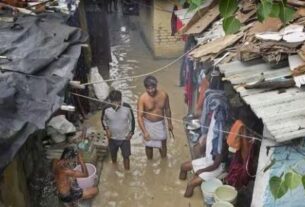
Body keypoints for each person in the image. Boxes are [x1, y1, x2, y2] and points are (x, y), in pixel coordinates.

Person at [137, 75, 173, 160]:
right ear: (145, 88)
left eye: (152, 88)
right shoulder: (142, 98)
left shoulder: (164, 95)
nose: (151, 91)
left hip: (160, 124)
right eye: (148, 88)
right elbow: (139, 117)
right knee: (148, 145)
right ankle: (149, 163)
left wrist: (170, 123)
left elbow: (167, 109)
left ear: (156, 85)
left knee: (163, 144)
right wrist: (144, 131)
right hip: (148, 124)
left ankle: (164, 161)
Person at [101, 90, 135, 170]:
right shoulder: (106, 108)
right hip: (112, 138)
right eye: (114, 102)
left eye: (118, 102)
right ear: (110, 101)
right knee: (113, 155)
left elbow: (132, 120)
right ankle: (115, 168)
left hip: (125, 138)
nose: (116, 104)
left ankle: (127, 173)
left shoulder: (127, 107)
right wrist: (106, 129)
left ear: (121, 99)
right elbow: (103, 120)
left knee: (126, 156)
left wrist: (131, 132)